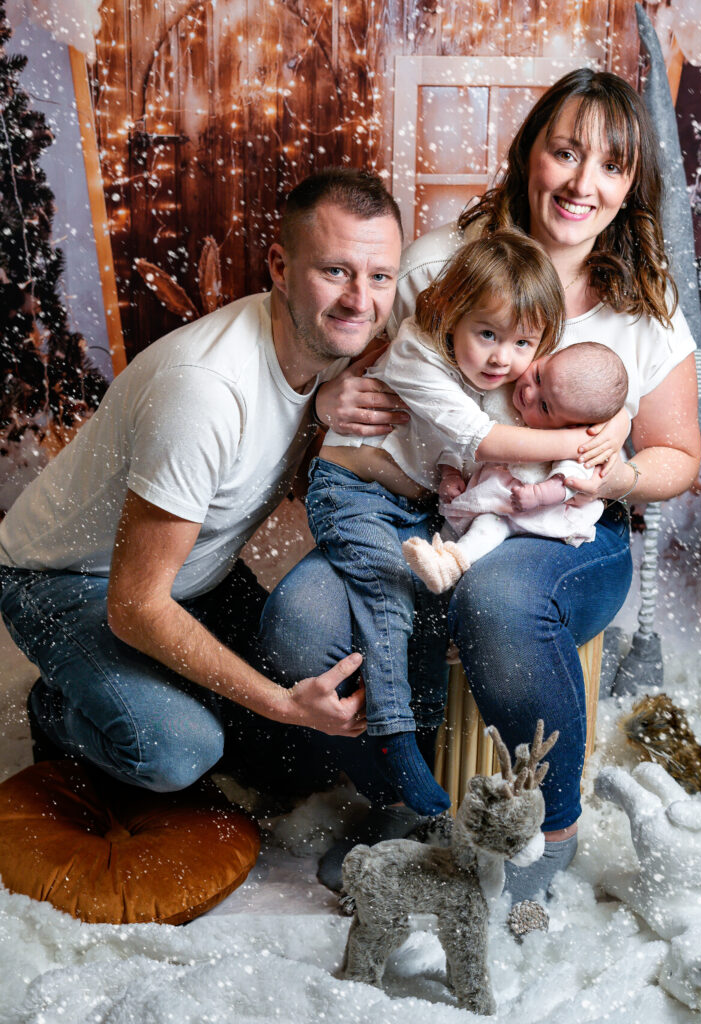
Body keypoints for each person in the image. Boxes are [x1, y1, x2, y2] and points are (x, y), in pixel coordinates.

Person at [264, 68, 701, 904]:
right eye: (564, 152)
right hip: (421, 509)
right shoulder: (442, 263)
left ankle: (554, 822)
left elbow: (678, 454)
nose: (582, 183)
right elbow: (361, 373)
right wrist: (328, 395)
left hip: (566, 532)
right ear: (527, 151)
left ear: (630, 183)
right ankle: (404, 798)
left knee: (495, 600)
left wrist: (622, 472)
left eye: (610, 165)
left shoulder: (645, 304)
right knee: (298, 619)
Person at [0, 167, 409, 795]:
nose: (361, 300)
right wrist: (278, 704)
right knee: (178, 749)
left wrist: (323, 414)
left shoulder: (334, 352)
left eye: (379, 276)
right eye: (335, 271)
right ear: (278, 266)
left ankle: (168, 694)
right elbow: (135, 606)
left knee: (305, 762)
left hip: (196, 573)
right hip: (66, 579)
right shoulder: (205, 391)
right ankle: (56, 713)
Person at [306, 231, 624, 818]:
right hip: (355, 491)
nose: (503, 357)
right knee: (387, 600)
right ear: (451, 314)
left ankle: (418, 743)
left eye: (523, 342)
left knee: (432, 607)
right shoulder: (415, 353)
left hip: (415, 505)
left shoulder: (513, 377)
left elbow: (582, 384)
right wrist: (583, 441)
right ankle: (395, 741)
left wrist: (616, 422)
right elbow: (482, 438)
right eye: (487, 335)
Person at [403, 339, 629, 594]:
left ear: (570, 427)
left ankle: (450, 565)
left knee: (490, 527)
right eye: (539, 375)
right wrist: (451, 472)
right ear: (546, 355)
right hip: (479, 495)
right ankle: (434, 571)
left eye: (544, 407)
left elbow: (570, 481)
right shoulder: (498, 392)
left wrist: (538, 495)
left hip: (517, 513)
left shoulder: (577, 443)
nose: (530, 392)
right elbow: (459, 440)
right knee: (451, 533)